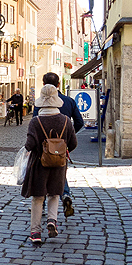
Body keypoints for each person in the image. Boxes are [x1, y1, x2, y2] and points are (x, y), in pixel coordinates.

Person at [21, 83, 78, 246]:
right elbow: (73, 144)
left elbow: (30, 144)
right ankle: (52, 221)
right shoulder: (66, 121)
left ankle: (36, 232)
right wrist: (59, 150)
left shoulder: (35, 122)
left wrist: (29, 148)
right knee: (54, 195)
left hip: (39, 165)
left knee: (38, 198)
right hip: (59, 165)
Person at [33, 72, 83, 218]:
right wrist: (68, 137)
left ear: (43, 84)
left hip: (43, 146)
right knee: (59, 170)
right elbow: (79, 122)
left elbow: (35, 123)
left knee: (43, 174)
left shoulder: (40, 102)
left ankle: (41, 205)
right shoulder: (69, 101)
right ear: (59, 84)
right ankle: (65, 195)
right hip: (62, 145)